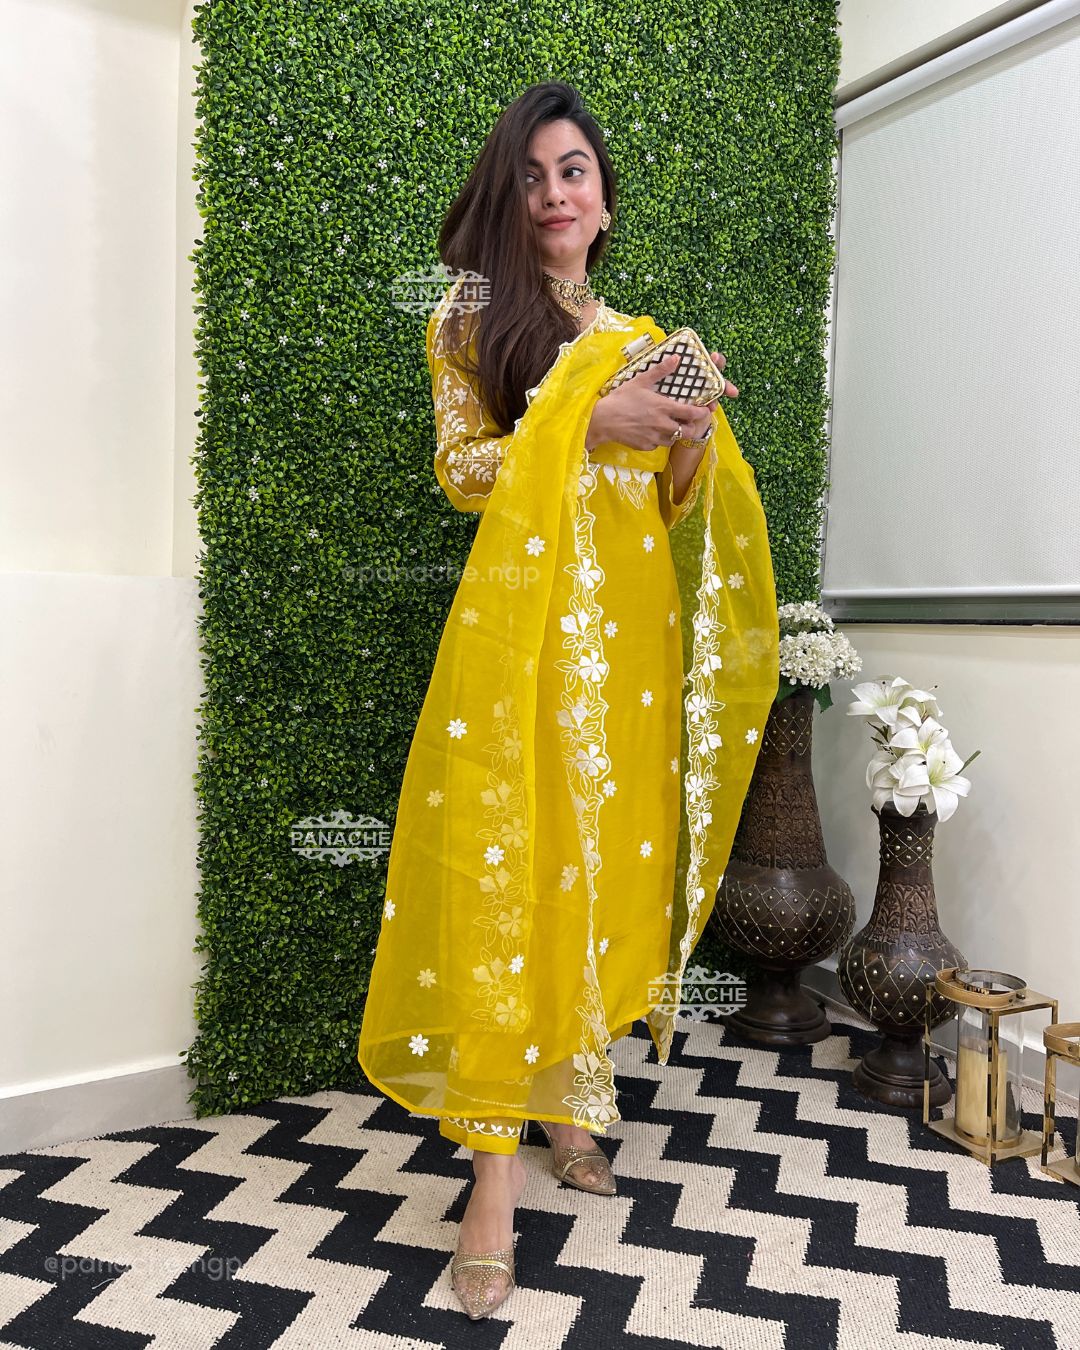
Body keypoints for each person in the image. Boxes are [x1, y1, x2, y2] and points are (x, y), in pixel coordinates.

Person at [357, 80, 779, 1320]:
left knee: (601, 869)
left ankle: (567, 1097)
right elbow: (464, 471)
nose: (554, 193)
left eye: (575, 172)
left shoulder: (644, 334)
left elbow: (671, 503)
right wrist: (591, 418)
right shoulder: (472, 318)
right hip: (529, 640)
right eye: (533, 174)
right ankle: (492, 1178)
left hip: (632, 644)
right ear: (511, 194)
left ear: (604, 201)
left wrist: (684, 431)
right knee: (515, 871)